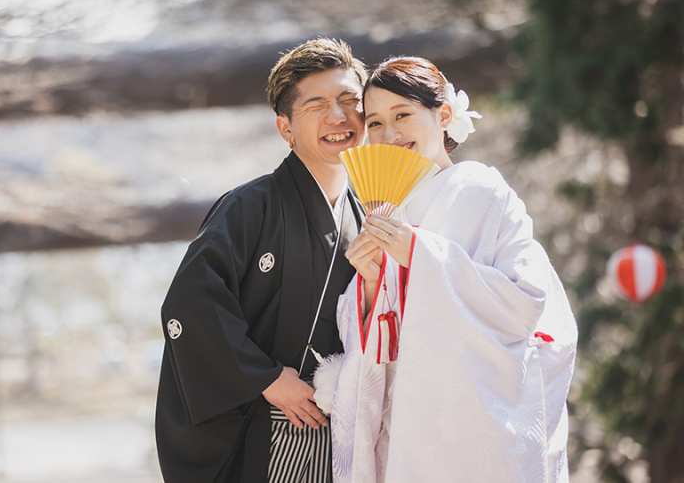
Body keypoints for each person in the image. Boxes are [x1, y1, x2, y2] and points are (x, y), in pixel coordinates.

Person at [326, 57, 578, 482]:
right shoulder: (386, 207)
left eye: (402, 115)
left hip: (475, 418)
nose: (389, 134)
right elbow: (379, 334)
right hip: (407, 412)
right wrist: (369, 286)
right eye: (374, 123)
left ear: (443, 115)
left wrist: (421, 254)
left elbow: (526, 303)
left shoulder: (486, 191)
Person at [155, 38, 368, 482]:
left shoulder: (369, 211)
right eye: (317, 106)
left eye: (350, 101)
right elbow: (191, 305)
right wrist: (266, 378)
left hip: (346, 430)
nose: (339, 116)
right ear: (285, 128)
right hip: (268, 423)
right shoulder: (251, 206)